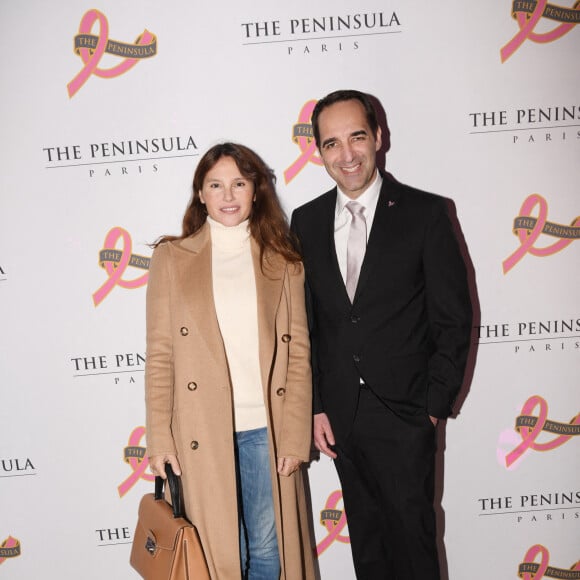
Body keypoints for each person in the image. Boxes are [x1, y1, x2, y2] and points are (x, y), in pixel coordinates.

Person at [291, 90, 472, 579]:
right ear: (318, 151)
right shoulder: (304, 221)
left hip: (407, 412)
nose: (346, 154)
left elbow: (454, 320)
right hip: (342, 415)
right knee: (368, 553)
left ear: (378, 136)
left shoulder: (425, 213)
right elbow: (306, 323)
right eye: (331, 143)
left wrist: (433, 404)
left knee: (413, 549)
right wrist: (314, 405)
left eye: (356, 137)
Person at [145, 142, 316, 580]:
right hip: (201, 431)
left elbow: (298, 353)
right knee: (219, 558)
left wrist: (295, 436)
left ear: (255, 190)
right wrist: (159, 437)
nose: (227, 195)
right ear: (199, 194)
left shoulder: (284, 259)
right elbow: (161, 355)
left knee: (267, 552)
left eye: (238, 183)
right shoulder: (170, 258)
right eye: (215, 185)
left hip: (268, 430)